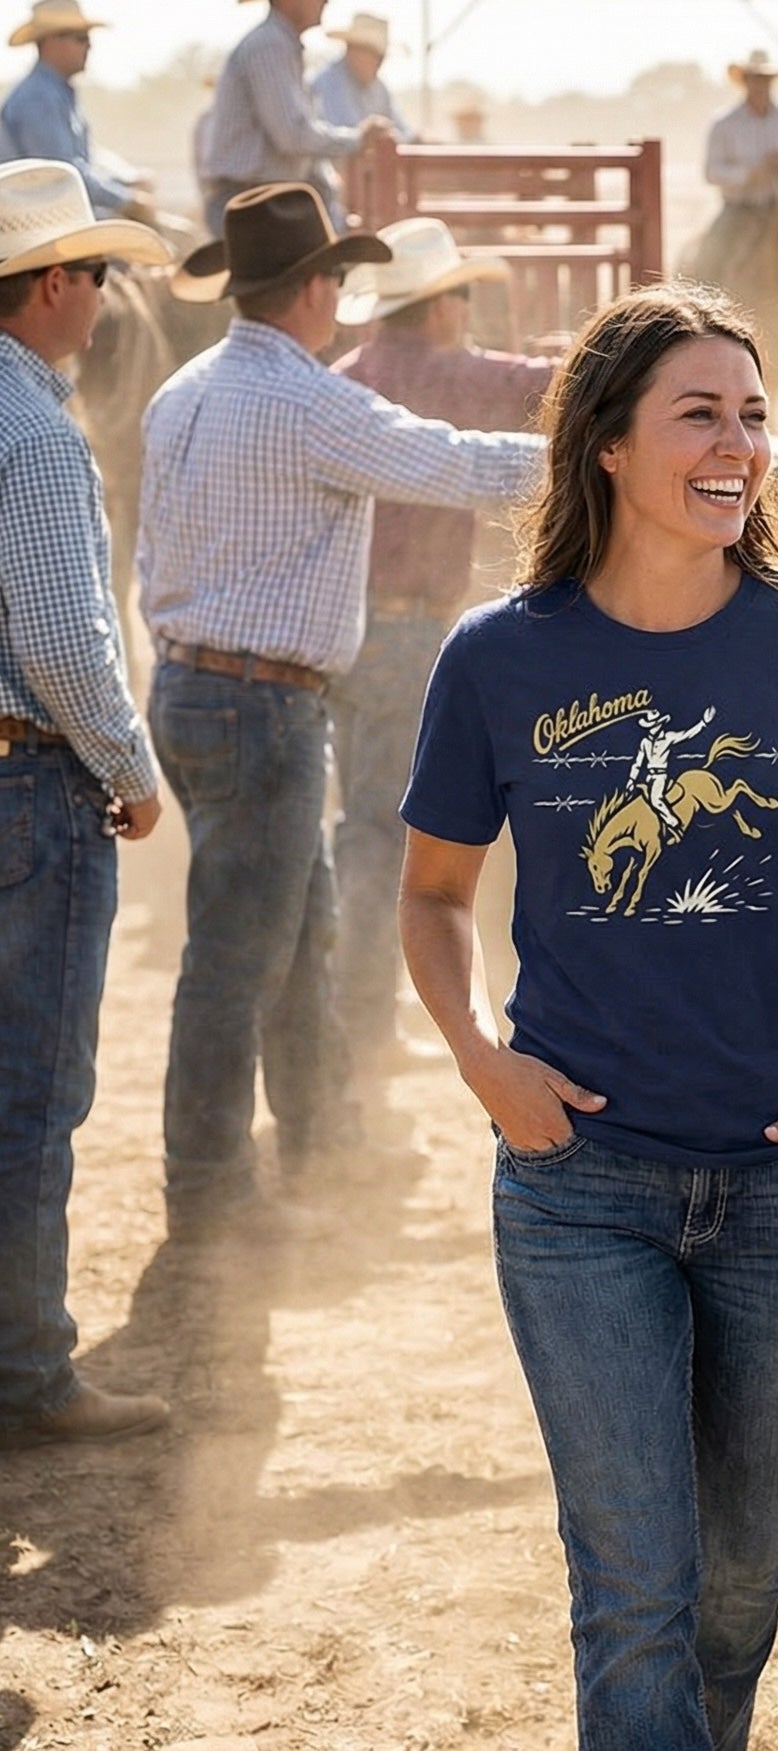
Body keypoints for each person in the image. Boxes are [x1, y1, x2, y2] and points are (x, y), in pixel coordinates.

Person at [397, 282, 778, 1751]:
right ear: (607, 443)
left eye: (751, 415)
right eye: (698, 414)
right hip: (580, 1181)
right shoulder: (497, 656)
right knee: (637, 1589)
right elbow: (435, 895)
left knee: (739, 1589)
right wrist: (481, 1057)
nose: (737, 445)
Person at [135, 183, 543, 1243]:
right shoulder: (307, 402)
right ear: (315, 289)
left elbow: (150, 540)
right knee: (241, 951)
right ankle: (210, 1189)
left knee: (291, 920)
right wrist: (600, 460)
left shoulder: (183, 391)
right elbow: (453, 463)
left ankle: (318, 1137)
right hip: (260, 699)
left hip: (191, 682)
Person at [0, 159, 172, 1448]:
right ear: (53, 282)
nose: (108, 299)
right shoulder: (38, 434)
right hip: (29, 780)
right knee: (34, 1088)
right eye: (100, 274)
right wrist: (129, 767)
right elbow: (64, 639)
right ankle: (26, 1372)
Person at [328, 216, 555, 1074]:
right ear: (439, 305)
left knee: (363, 823)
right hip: (410, 630)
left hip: (348, 628)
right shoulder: (456, 374)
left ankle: (360, 1017)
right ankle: (368, 1030)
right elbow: (552, 382)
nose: (464, 312)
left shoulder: (347, 377)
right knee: (400, 834)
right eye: (458, 296)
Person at [200, 0, 391, 237]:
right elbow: (292, 136)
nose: (325, 1)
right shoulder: (270, 46)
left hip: (261, 199)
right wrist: (358, 140)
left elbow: (299, 141)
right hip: (252, 203)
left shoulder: (281, 47)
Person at [1, 1, 150, 219]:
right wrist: (125, 200)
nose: (89, 46)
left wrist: (126, 183)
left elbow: (79, 163)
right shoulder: (39, 98)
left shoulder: (53, 93)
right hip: (42, 223)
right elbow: (61, 176)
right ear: (52, 42)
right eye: (81, 38)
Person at [692, 47, 778, 288]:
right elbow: (711, 171)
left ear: (772, 82)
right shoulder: (724, 123)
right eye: (755, 79)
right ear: (745, 82)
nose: (760, 85)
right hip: (739, 209)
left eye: (765, 79)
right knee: (709, 258)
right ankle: (705, 301)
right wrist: (749, 175)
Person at [311, 10, 412, 139]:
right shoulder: (326, 84)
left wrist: (415, 138)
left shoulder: (379, 88)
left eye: (381, 56)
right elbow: (333, 140)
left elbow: (402, 131)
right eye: (374, 54)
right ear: (352, 49)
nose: (379, 63)